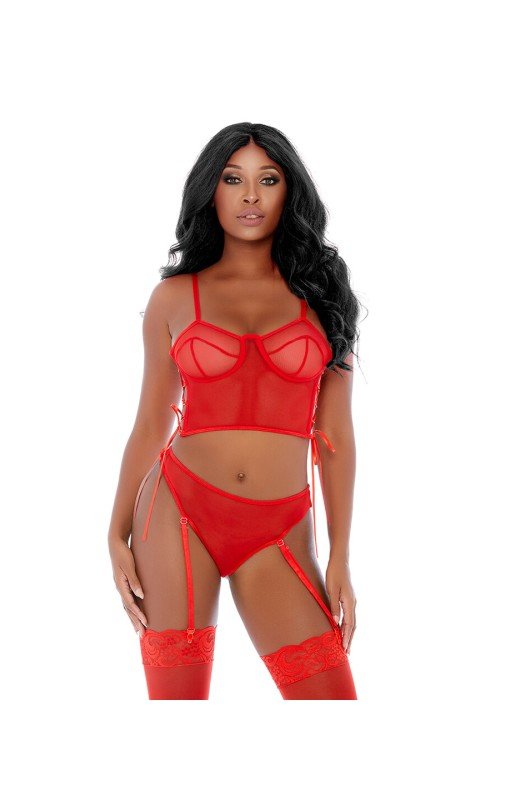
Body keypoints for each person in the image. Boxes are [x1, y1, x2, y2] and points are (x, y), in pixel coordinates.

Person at [107, 122, 363, 700]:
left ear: (289, 190)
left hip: (279, 528)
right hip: (177, 511)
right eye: (232, 179)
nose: (250, 196)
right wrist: (115, 532)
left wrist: (341, 556)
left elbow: (336, 438)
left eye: (267, 180)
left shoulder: (325, 297)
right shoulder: (174, 297)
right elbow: (151, 422)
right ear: (210, 190)